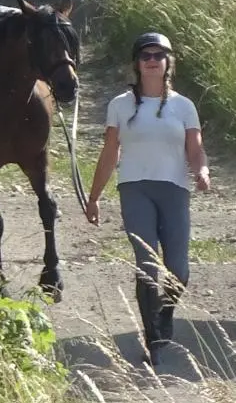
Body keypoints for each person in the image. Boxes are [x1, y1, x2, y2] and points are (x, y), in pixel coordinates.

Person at [85, 32, 211, 366]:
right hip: (135, 187)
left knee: (179, 269)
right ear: (137, 63)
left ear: (169, 62)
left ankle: (165, 313)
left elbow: (195, 148)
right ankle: (152, 337)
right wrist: (94, 197)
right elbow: (110, 153)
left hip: (174, 189)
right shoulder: (119, 105)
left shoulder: (184, 106)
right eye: (146, 56)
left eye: (159, 55)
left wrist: (202, 171)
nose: (152, 60)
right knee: (146, 265)